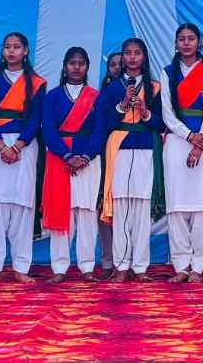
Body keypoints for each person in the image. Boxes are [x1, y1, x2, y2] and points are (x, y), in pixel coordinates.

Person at [0, 32, 46, 283]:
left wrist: (17, 147)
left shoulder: (36, 83)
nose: (11, 51)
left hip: (24, 146)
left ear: (25, 51)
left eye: (16, 47)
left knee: (22, 205)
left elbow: (35, 119)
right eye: (7, 47)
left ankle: (21, 267)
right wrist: (0, 145)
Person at [160, 23, 203, 283]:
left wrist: (199, 142)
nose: (186, 43)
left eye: (191, 38)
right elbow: (166, 113)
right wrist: (187, 136)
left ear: (199, 42)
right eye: (182, 39)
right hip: (176, 142)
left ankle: (198, 266)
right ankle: (181, 266)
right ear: (175, 43)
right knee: (177, 206)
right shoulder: (167, 73)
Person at [100, 38, 163, 283]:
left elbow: (161, 123)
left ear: (144, 56)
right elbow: (103, 122)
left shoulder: (155, 87)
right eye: (128, 53)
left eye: (137, 53)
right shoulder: (112, 88)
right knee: (122, 207)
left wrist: (145, 112)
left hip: (146, 148)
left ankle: (140, 266)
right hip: (119, 149)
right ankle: (121, 265)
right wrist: (123, 105)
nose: (132, 57)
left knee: (141, 208)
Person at [41, 47, 105, 283]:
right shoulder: (52, 96)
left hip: (89, 161)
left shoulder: (96, 97)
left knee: (86, 213)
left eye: (81, 63)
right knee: (62, 212)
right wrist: (68, 156)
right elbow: (48, 130)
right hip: (60, 160)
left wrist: (85, 157)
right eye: (72, 63)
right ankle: (59, 267)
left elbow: (100, 131)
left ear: (87, 67)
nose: (76, 67)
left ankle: (87, 267)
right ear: (64, 66)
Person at [98, 51, 122, 278]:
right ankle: (108, 261)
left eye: (120, 63)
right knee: (104, 206)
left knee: (126, 206)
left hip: (129, 153)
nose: (117, 67)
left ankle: (126, 260)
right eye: (112, 64)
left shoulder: (144, 91)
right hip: (105, 154)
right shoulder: (103, 94)